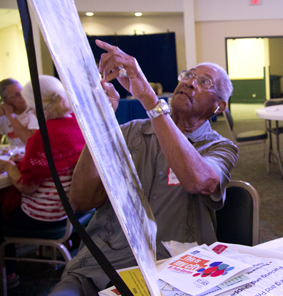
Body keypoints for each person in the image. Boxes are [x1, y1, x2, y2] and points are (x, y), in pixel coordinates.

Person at [50, 40, 238, 296]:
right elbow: (81, 200)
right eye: (189, 75)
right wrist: (100, 121)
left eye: (205, 82)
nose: (190, 82)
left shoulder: (221, 147)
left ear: (219, 106)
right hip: (100, 265)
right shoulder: (129, 132)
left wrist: (149, 99)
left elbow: (199, 180)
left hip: (172, 269)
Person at [0, 75, 85, 289]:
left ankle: (9, 276)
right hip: (73, 213)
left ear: (38, 106)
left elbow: (25, 185)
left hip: (46, 217)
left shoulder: (43, 136)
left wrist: (8, 166)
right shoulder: (76, 122)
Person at [0, 78, 38, 147]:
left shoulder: (34, 110)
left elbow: (32, 143)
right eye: (17, 95)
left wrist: (10, 116)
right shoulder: (3, 116)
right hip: (14, 156)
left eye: (22, 91)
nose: (22, 96)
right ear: (5, 100)